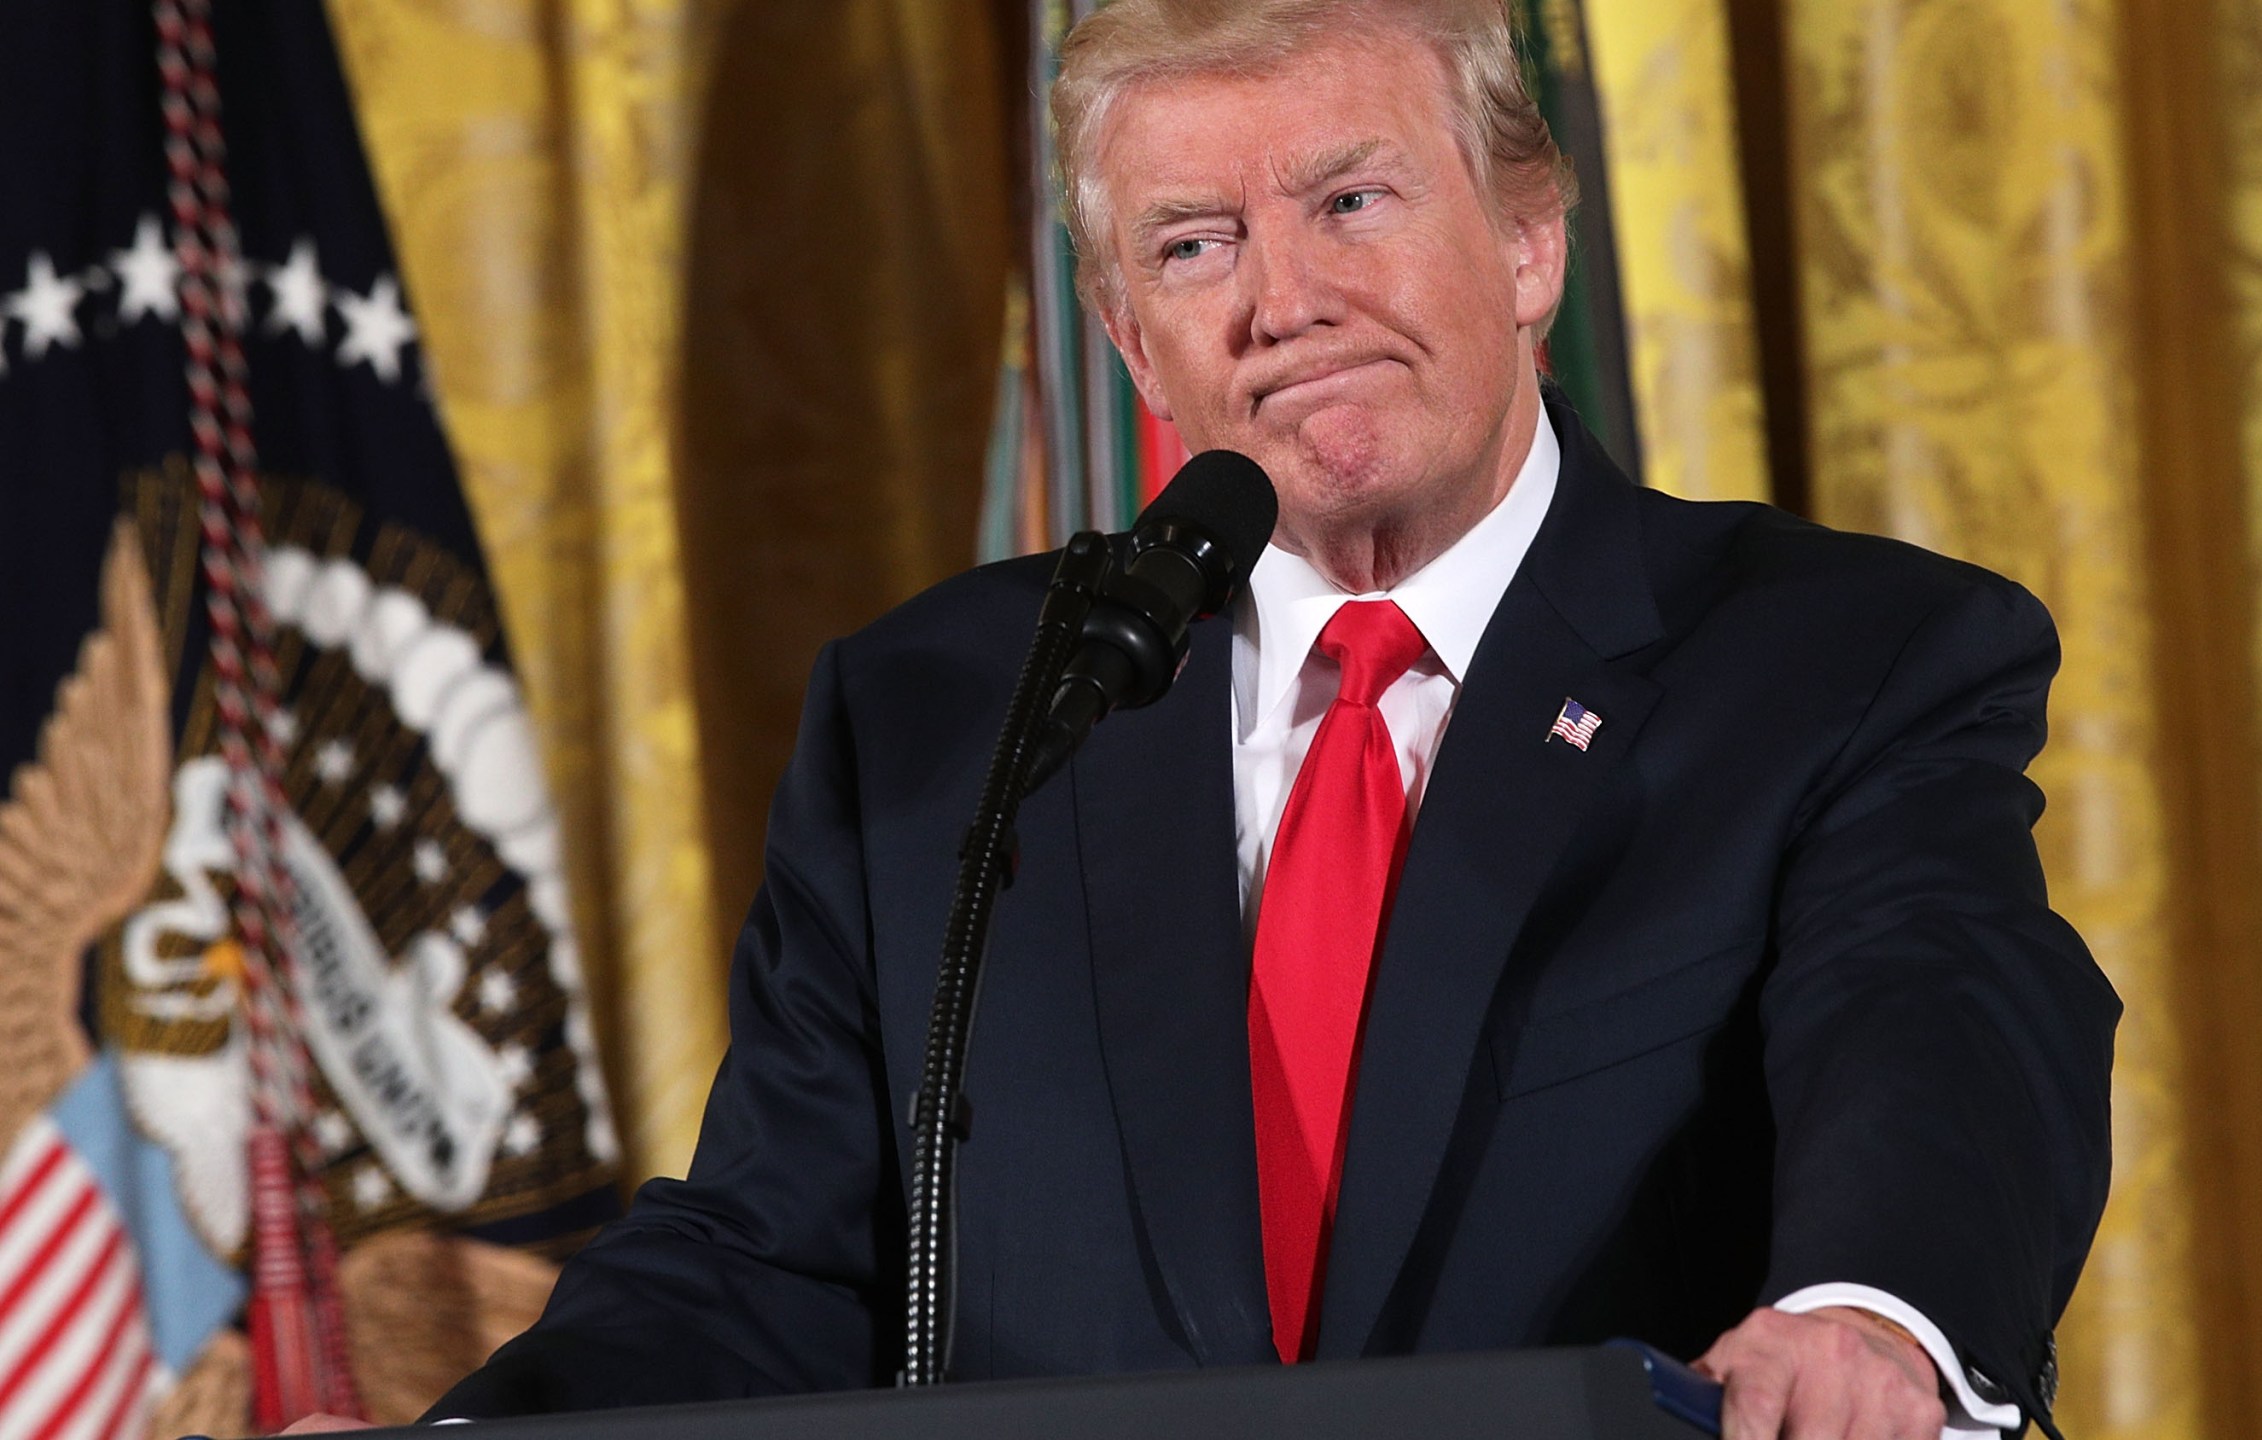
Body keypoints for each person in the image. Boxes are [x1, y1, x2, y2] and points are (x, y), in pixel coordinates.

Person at [381, 3, 2119, 1438]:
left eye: (1350, 203)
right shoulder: (945, 716)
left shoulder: (1844, 659)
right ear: (1137, 342)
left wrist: (1866, 1317)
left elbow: (1936, 1019)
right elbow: (771, 1256)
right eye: (1196, 245)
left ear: (1529, 242)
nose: (1281, 300)